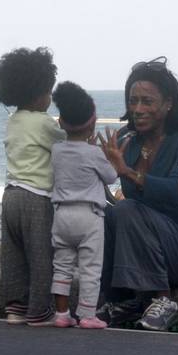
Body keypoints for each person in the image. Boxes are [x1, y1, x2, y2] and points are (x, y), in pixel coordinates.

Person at [97, 57, 178, 332]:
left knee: (127, 209)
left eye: (147, 102)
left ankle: (164, 302)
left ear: (168, 103)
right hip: (146, 245)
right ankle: (121, 301)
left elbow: (177, 192)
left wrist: (128, 172)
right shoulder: (128, 139)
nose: (137, 109)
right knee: (104, 214)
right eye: (133, 101)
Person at [0, 47, 66, 326]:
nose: (50, 97)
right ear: (38, 93)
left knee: (13, 254)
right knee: (40, 255)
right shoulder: (44, 122)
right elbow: (66, 147)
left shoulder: (12, 121)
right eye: (49, 92)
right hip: (37, 198)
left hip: (10, 195)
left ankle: (16, 307)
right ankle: (39, 310)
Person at [49, 81, 117, 329]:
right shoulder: (94, 153)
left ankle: (61, 314)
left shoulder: (56, 150)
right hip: (89, 217)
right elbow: (111, 177)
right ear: (93, 122)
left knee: (62, 266)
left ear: (61, 123)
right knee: (90, 268)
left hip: (62, 215)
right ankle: (87, 315)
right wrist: (109, 157)